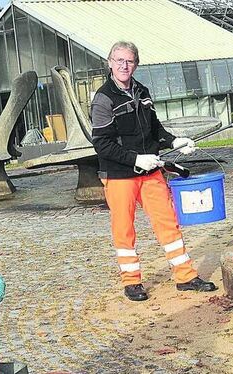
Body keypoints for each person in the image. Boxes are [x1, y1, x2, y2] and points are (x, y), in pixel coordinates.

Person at [91, 41, 216, 302]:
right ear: (109, 62)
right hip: (119, 175)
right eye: (119, 60)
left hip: (151, 172)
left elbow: (154, 128)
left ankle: (185, 276)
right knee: (124, 228)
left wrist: (174, 141)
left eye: (129, 61)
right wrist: (135, 158)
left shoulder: (142, 91)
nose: (124, 66)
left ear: (136, 63)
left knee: (168, 223)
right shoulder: (103, 98)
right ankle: (132, 282)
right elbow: (101, 144)